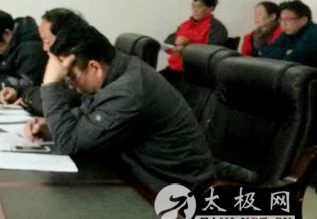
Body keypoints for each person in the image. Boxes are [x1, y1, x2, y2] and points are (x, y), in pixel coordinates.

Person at [25, 22, 215, 192]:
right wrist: (50, 124)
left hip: (170, 192)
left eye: (71, 77)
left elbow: (68, 145)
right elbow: (88, 113)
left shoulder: (129, 91)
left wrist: (50, 85)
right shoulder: (120, 70)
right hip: (138, 175)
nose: (71, 85)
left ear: (94, 67)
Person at [161, 0, 228, 83]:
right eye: (193, 6)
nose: (195, 10)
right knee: (146, 80)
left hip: (196, 75)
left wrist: (185, 49)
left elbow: (212, 54)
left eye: (199, 6)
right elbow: (168, 41)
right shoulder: (186, 24)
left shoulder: (217, 28)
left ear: (211, 8)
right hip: (173, 70)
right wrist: (176, 41)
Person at [259, 0, 317, 74]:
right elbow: (263, 52)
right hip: (302, 76)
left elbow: (291, 61)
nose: (283, 24)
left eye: (287, 20)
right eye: (281, 20)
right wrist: (285, 52)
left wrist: (285, 54)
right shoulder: (288, 33)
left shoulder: (315, 35)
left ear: (303, 20)